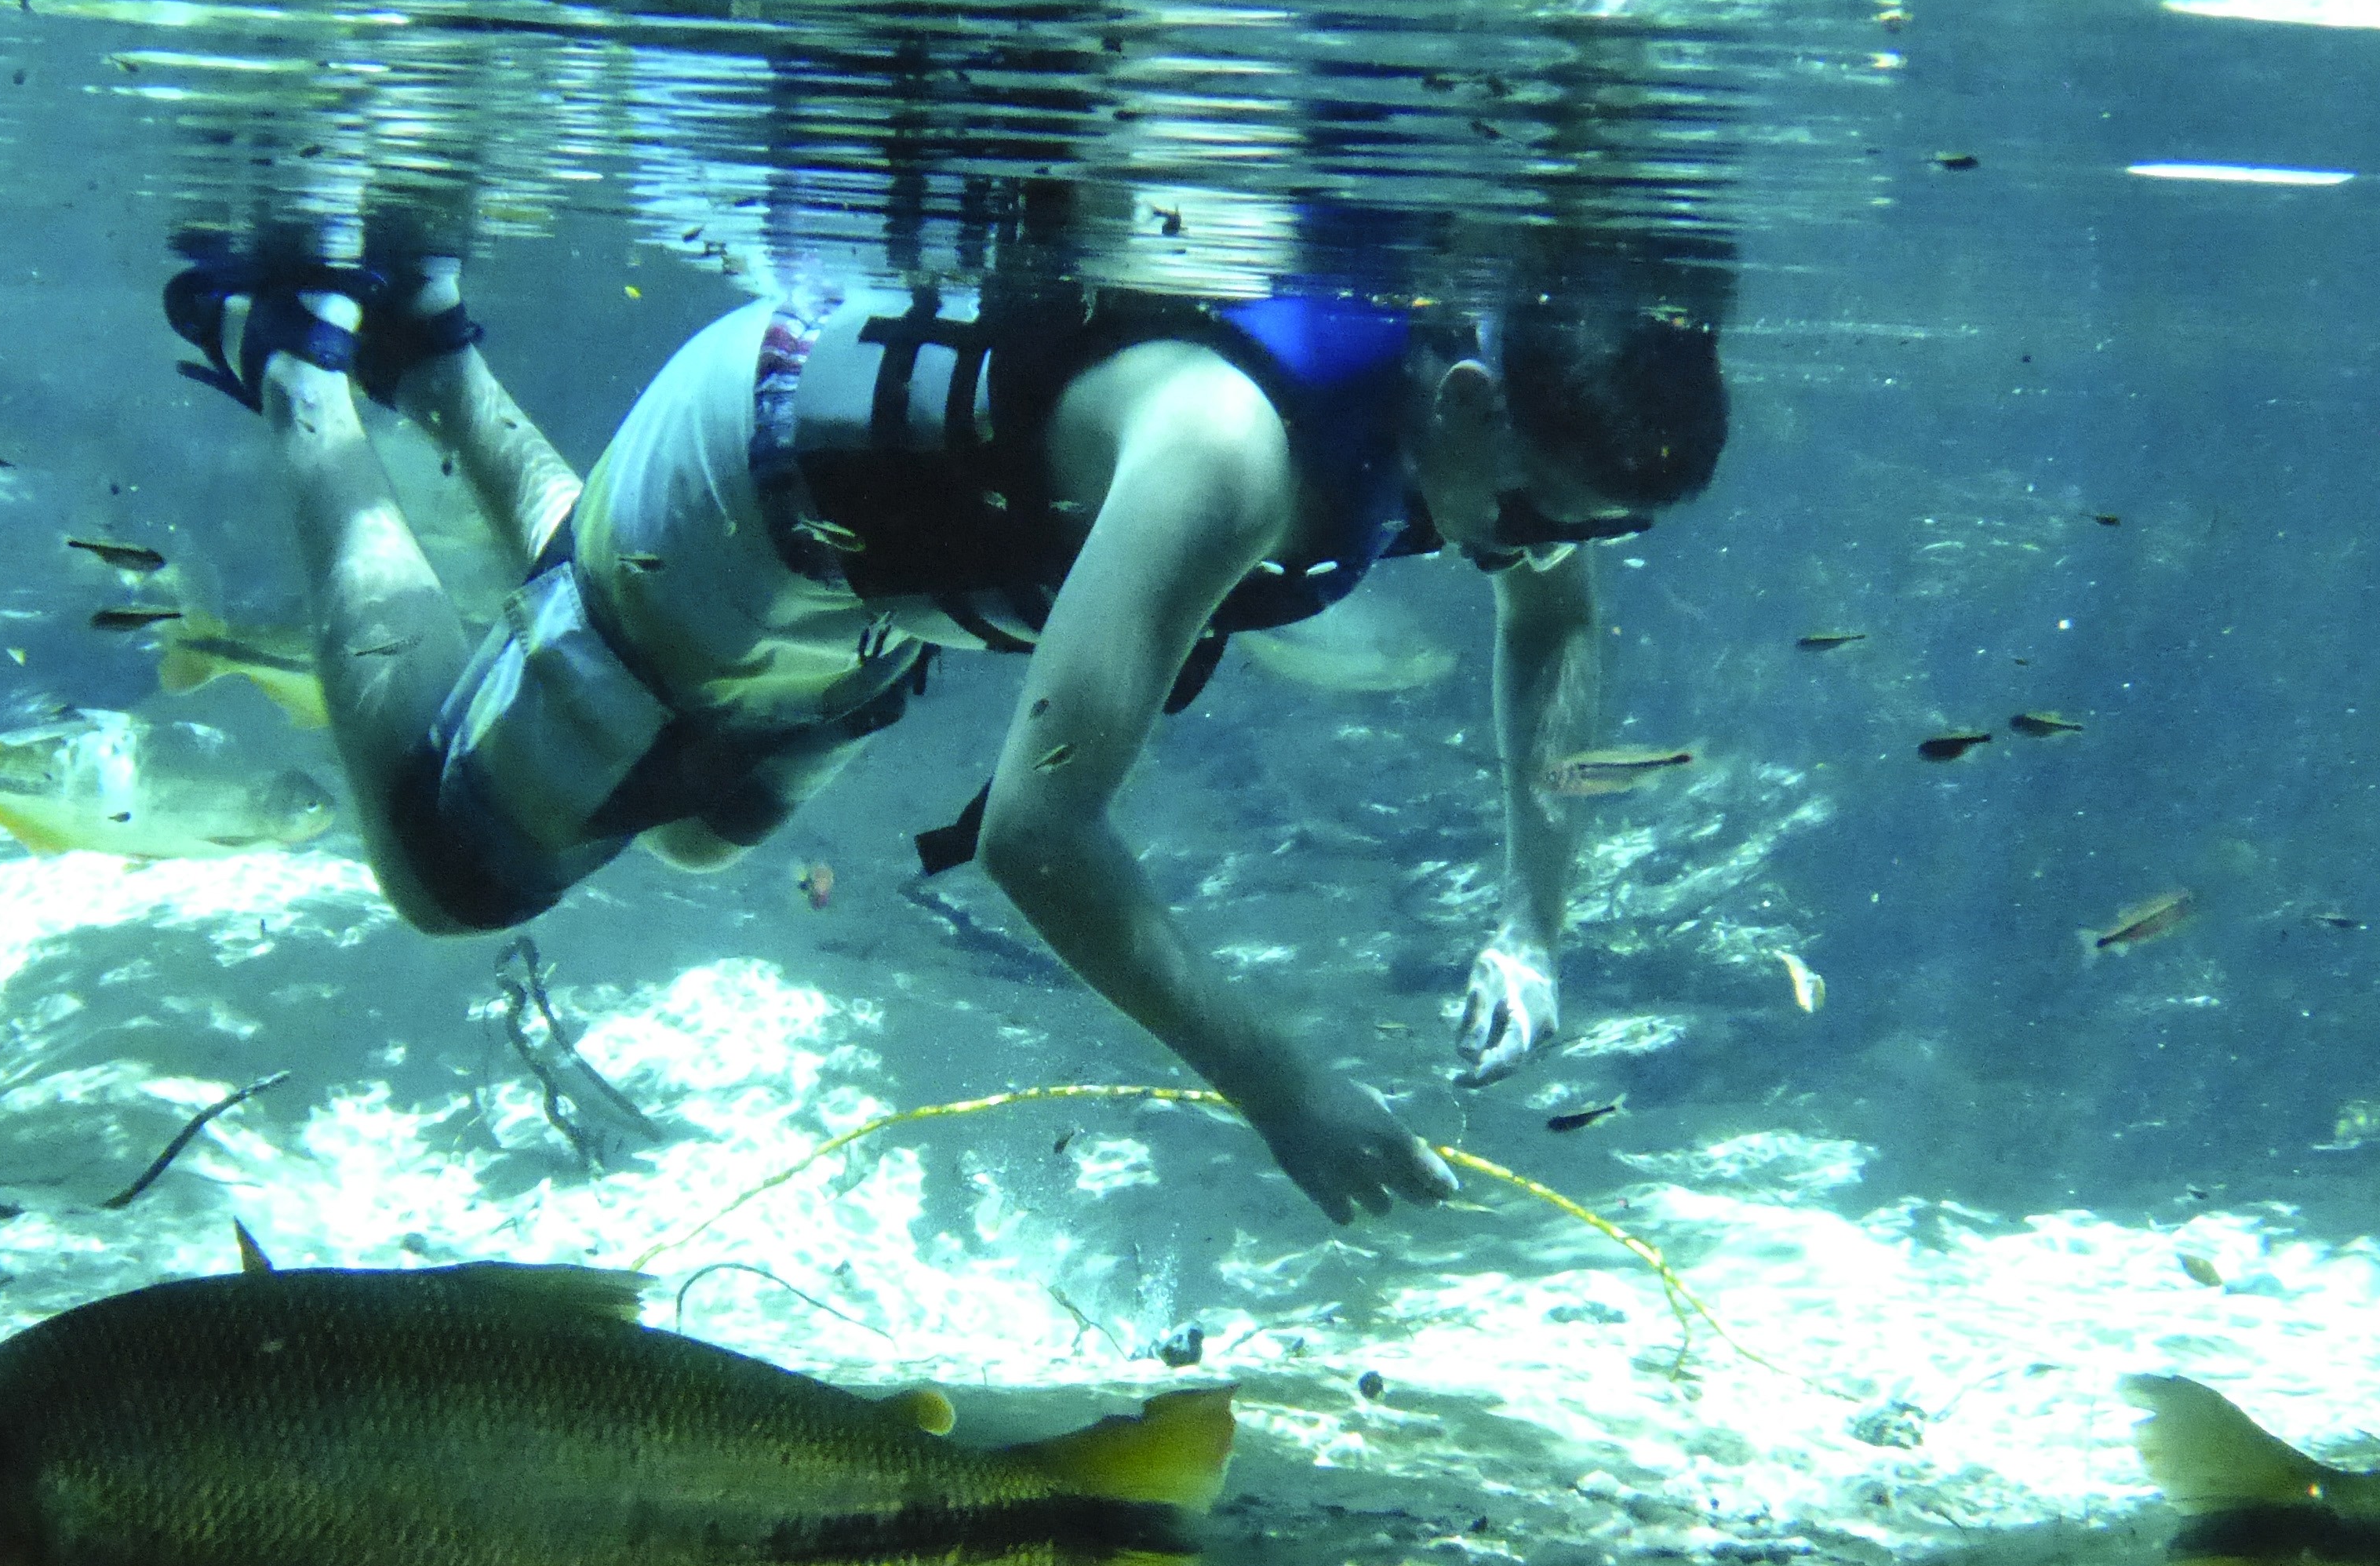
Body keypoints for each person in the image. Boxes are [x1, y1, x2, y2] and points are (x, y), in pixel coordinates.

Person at [164, 218, 1728, 1225]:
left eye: (1582, 526)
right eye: (1531, 513)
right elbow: (1037, 835)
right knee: (461, 871)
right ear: (1462, 404)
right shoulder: (1226, 452)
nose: (1532, 550)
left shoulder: (1488, 430)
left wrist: (1535, 926)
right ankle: (303, 360)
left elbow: (1553, 621)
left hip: (891, 578)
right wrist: (1284, 1090)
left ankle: (433, 356)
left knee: (701, 826)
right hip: (762, 479)